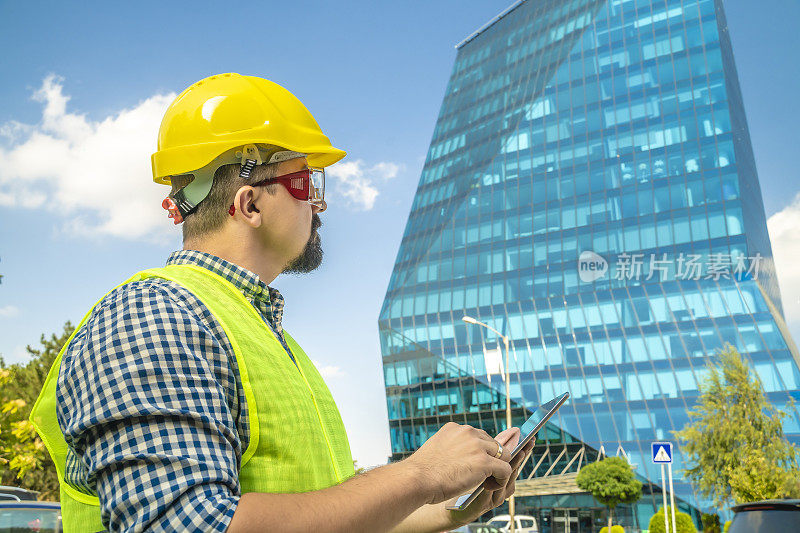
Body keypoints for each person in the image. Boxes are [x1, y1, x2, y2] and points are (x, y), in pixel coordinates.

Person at [30, 73, 533, 532]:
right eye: (305, 182)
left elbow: (328, 517)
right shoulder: (152, 316)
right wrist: (422, 473)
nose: (319, 204)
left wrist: (451, 504)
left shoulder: (265, 338)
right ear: (249, 204)